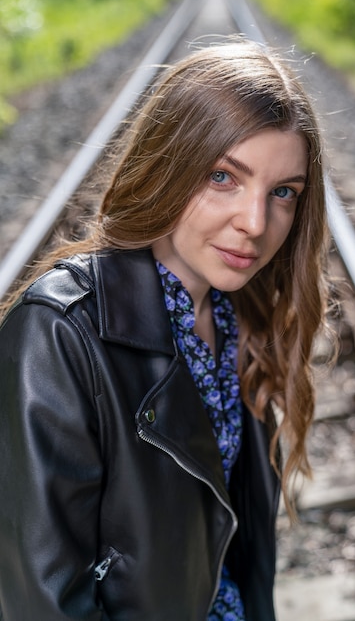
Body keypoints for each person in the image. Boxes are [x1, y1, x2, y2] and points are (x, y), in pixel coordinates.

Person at [0, 39, 331, 620]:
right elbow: (41, 602)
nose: (255, 223)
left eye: (283, 192)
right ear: (167, 166)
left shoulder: (242, 316)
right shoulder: (59, 336)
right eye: (223, 177)